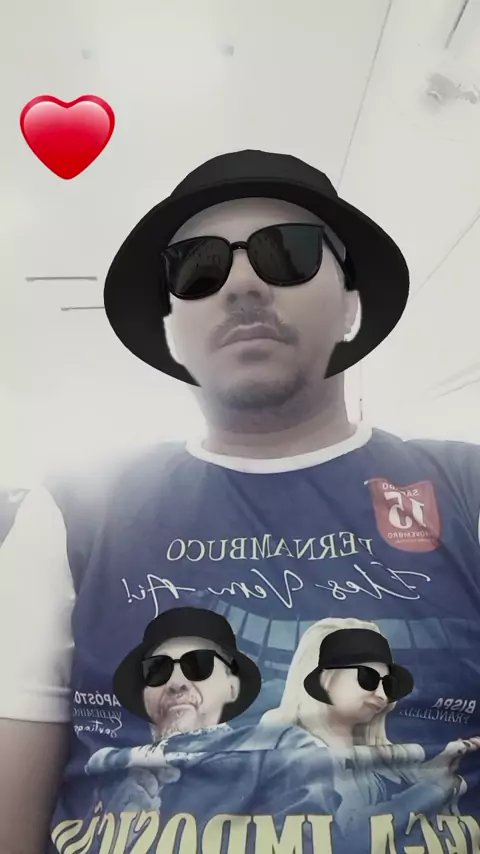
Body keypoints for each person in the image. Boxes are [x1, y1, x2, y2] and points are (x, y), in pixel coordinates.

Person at [1, 149, 480, 854]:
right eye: (198, 267)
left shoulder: (465, 491)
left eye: (288, 253)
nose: (244, 283)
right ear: (172, 326)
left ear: (351, 304)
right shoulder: (73, 513)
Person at [262, 617, 480, 847]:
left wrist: (431, 773)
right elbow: (343, 834)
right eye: (368, 678)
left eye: (388, 684)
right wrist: (433, 788)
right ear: (325, 676)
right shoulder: (282, 742)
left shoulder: (371, 753)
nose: (382, 695)